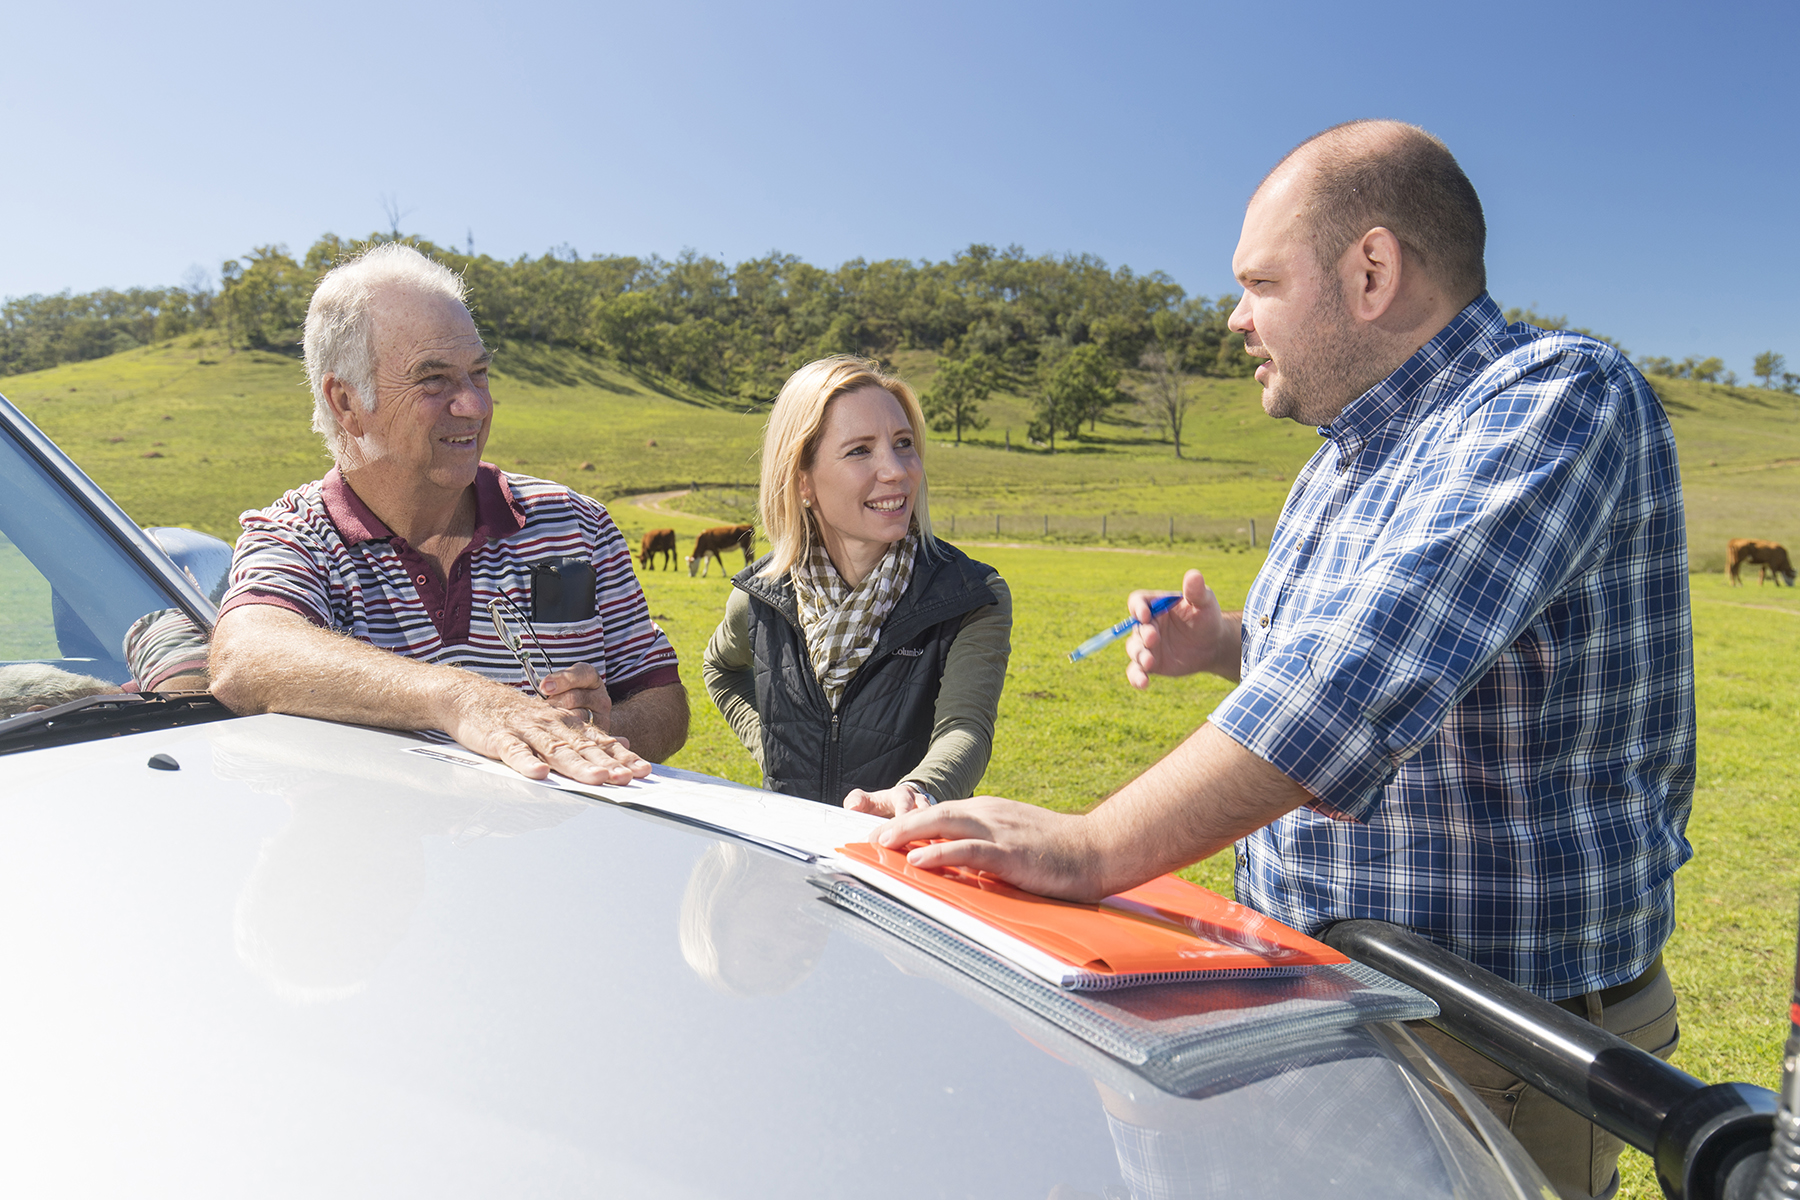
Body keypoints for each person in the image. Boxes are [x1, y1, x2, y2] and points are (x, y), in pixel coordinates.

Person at [875, 120, 1692, 1200]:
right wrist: (1226, 645)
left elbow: (1358, 681)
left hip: (1493, 1036)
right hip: (1325, 994)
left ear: (1370, 271)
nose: (1234, 317)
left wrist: (1088, 847)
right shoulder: (1341, 460)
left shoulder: (1553, 401)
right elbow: (1407, 661)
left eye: (1259, 280)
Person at [209, 244, 687, 785]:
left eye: (479, 373)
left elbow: (662, 698)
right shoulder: (299, 537)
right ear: (345, 402)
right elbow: (245, 657)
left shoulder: (576, 524)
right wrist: (461, 698)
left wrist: (601, 728)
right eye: (433, 379)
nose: (475, 406)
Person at [702, 356, 1010, 815]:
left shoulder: (969, 596)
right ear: (802, 481)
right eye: (860, 450)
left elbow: (965, 729)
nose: (896, 470)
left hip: (897, 855)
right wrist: (773, 748)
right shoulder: (760, 595)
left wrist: (917, 793)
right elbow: (720, 670)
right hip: (788, 853)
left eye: (903, 443)